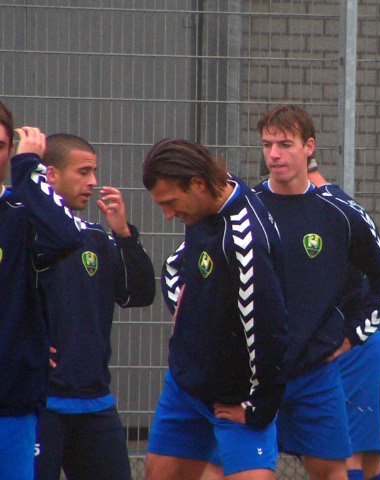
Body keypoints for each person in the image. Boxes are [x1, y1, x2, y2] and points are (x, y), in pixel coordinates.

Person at [253, 104, 380, 480]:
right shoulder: (245, 207)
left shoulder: (340, 211)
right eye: (267, 145)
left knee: (338, 466)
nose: (274, 154)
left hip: (316, 368)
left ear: (309, 147)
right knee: (240, 468)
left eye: (284, 144)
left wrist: (354, 336)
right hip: (255, 373)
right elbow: (182, 267)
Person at [142, 138, 289, 480]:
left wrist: (256, 408)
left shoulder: (245, 240)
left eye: (170, 202)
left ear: (197, 184)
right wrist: (182, 300)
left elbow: (270, 332)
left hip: (235, 398)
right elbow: (176, 266)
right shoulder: (209, 201)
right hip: (185, 387)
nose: (167, 214)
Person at [33, 134, 156, 480]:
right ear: (51, 175)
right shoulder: (23, 231)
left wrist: (124, 235)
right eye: (84, 172)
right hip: (39, 402)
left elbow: (140, 294)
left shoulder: (97, 239)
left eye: (95, 172)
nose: (94, 182)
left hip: (95, 401)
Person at [0, 102, 82, 480]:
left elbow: (66, 236)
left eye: (2, 146)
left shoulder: (19, 211)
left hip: (11, 399)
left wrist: (28, 168)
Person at [307, 168, 380, 480]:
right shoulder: (348, 208)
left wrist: (351, 336)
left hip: (359, 348)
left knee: (346, 458)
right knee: (369, 459)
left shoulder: (327, 211)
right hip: (378, 344)